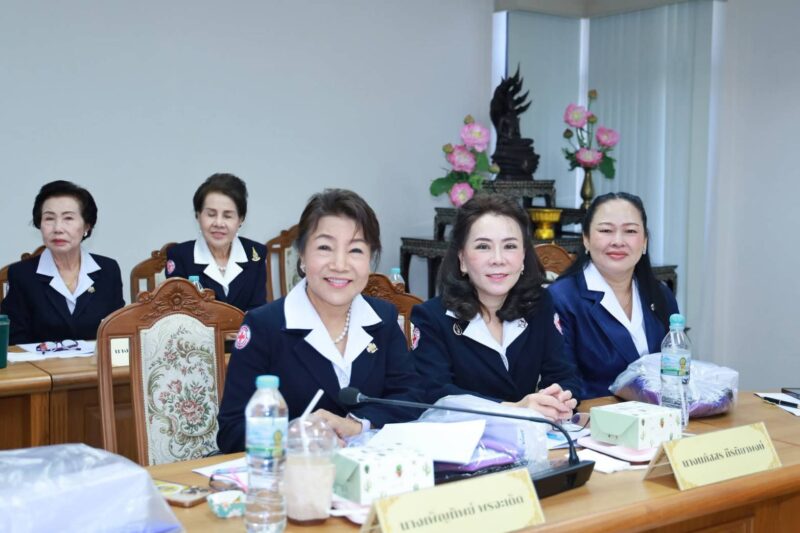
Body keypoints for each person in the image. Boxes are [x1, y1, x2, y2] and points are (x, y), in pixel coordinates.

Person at [217, 189, 420, 452]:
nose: (340, 264)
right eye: (325, 248)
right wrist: (294, 434)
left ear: (370, 260)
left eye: (355, 250)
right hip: (295, 472)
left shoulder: (383, 318)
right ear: (302, 256)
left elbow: (410, 400)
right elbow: (232, 432)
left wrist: (357, 424)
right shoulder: (264, 326)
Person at [410, 195, 579, 421]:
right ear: (462, 259)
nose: (498, 259)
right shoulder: (432, 317)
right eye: (483, 246)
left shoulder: (539, 304)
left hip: (532, 436)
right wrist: (513, 409)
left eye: (510, 246)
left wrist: (561, 398)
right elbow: (435, 395)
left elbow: (564, 375)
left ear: (523, 257)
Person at [549, 192, 680, 400]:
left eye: (630, 231)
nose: (618, 241)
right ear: (586, 239)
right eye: (606, 230)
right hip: (591, 416)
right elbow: (564, 385)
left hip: (660, 415)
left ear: (644, 242)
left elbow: (675, 368)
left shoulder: (660, 294)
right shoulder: (561, 298)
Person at [1, 180, 124, 344]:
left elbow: (118, 333)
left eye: (68, 218)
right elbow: (13, 341)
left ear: (87, 226)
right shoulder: (21, 274)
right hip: (41, 361)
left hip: (96, 361)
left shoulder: (108, 270)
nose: (58, 228)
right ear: (40, 224)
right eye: (49, 218)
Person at [166, 173, 266, 311]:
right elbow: (179, 314)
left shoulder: (255, 254)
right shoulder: (180, 256)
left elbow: (258, 310)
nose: (219, 223)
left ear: (241, 219)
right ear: (198, 215)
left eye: (227, 216)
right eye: (211, 214)